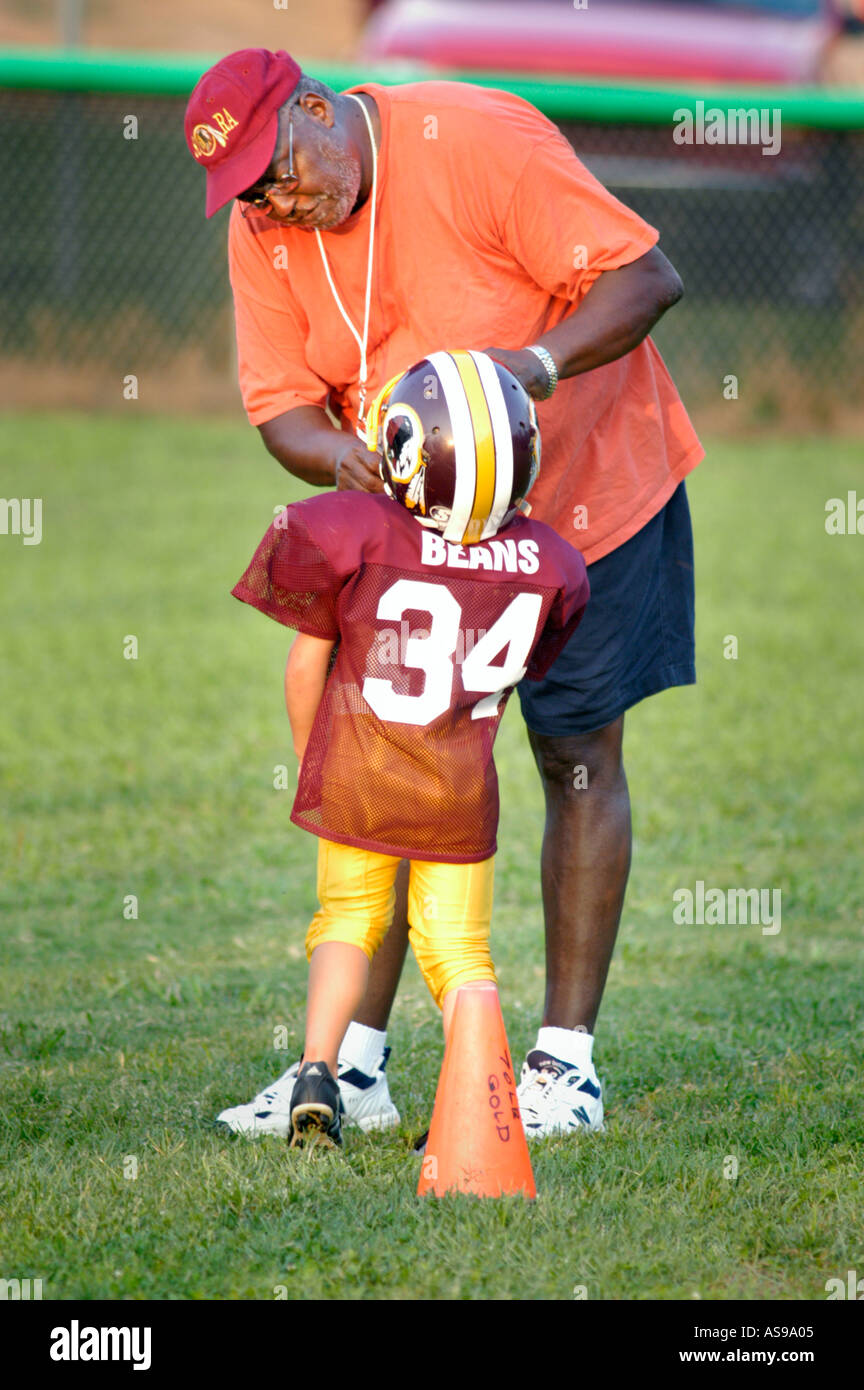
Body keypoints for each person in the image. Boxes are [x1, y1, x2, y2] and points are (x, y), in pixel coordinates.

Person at [185, 47, 702, 1140]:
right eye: (252, 196)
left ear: (319, 111)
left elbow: (647, 278)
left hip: (584, 498)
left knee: (577, 755)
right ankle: (355, 1071)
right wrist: (340, 458)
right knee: (392, 779)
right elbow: (282, 407)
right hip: (424, 532)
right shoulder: (264, 225)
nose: (277, 205)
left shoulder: (472, 139)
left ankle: (567, 1069)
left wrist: (533, 367)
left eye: (281, 174)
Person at [229, 353, 589, 1146]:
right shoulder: (549, 563)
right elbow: (532, 659)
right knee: (460, 953)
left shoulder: (351, 530)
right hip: (459, 790)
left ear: (401, 447)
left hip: (361, 776)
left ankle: (319, 1069)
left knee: (345, 921)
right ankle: (481, 1105)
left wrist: (314, 760)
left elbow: (304, 667)